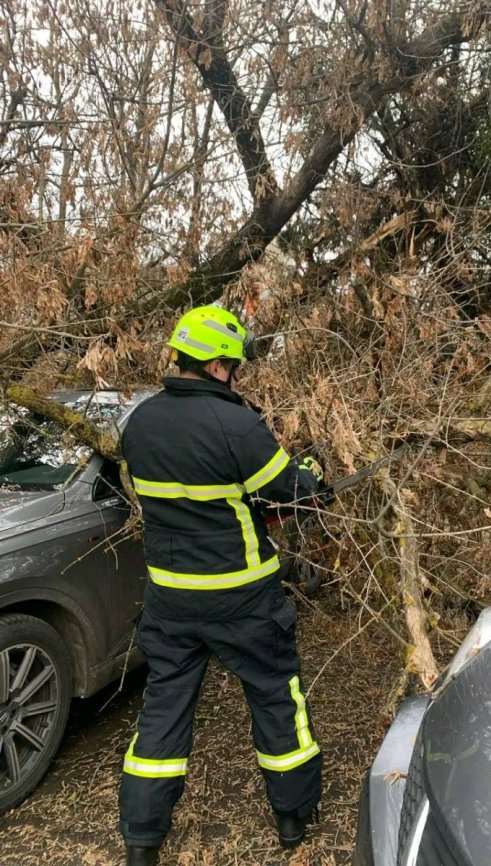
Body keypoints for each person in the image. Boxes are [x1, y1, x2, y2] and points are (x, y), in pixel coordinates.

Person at [118, 305, 323, 866]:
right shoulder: (238, 425)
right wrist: (318, 477)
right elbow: (288, 490)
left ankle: (141, 838)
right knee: (276, 695)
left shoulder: (138, 423)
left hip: (170, 598)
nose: (236, 373)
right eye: (233, 364)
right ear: (216, 365)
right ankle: (292, 816)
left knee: (163, 707)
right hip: (243, 598)